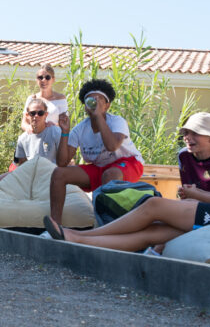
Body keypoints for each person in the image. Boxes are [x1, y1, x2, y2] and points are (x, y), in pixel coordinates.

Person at [44, 120, 210, 252]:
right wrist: (196, 195)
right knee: (154, 232)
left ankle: (82, 235)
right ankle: (79, 240)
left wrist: (197, 194)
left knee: (154, 205)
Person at [48, 79, 144, 225]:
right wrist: (65, 132)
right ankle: (55, 225)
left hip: (128, 164)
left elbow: (112, 146)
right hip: (100, 168)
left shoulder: (117, 121)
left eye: (99, 100)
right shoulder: (80, 129)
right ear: (85, 106)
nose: (94, 103)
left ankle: (107, 227)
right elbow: (62, 163)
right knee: (58, 174)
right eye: (90, 100)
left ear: (107, 105)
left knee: (110, 174)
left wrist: (98, 116)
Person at [0, 98, 62, 187]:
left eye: (40, 113)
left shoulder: (56, 132)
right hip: (31, 178)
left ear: (46, 115)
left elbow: (63, 161)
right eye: (32, 113)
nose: (36, 116)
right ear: (27, 115)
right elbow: (22, 166)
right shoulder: (23, 138)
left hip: (51, 177)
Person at [177, 112, 210, 194]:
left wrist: (194, 194)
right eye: (186, 133)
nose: (187, 137)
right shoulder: (183, 155)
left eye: (195, 133)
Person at [21, 63, 68, 132]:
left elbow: (65, 123)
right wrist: (29, 128)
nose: (43, 80)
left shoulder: (60, 99)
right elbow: (24, 122)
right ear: (37, 80)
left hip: (54, 136)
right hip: (35, 136)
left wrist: (54, 125)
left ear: (53, 79)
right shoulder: (31, 99)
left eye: (47, 77)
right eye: (40, 77)